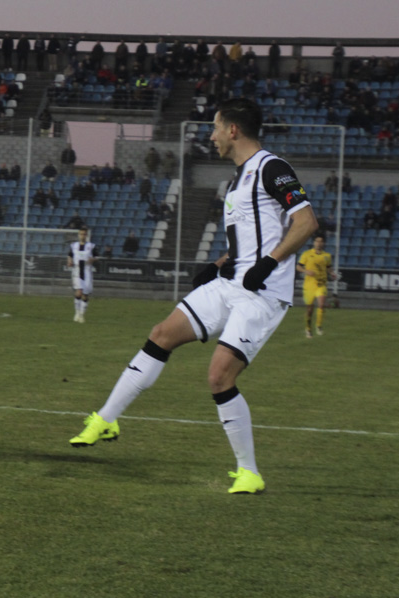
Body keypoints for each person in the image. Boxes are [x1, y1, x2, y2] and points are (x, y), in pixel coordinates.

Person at [68, 98, 318, 495]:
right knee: (162, 333)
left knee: (219, 376)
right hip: (233, 281)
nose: (212, 135)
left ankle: (249, 472)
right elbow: (253, 239)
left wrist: (268, 264)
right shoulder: (238, 178)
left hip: (262, 293)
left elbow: (306, 222)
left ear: (233, 130)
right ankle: (106, 418)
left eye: (216, 128)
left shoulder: (272, 168)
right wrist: (219, 263)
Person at [296, 234, 335, 339]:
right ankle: (308, 329)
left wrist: (332, 273)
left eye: (321, 241)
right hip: (309, 286)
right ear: (314, 243)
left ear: (323, 243)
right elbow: (298, 266)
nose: (319, 243)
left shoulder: (327, 256)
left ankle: (318, 325)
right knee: (310, 309)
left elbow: (329, 267)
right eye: (317, 241)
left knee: (321, 304)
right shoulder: (306, 254)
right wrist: (306, 271)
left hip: (321, 284)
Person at [67, 227, 98, 323]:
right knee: (79, 292)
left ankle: (81, 314)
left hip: (87, 271)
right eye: (81, 234)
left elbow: (97, 256)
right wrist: (69, 261)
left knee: (85, 295)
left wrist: (92, 260)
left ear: (87, 235)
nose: (82, 236)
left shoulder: (91, 246)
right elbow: (70, 255)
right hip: (77, 270)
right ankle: (77, 313)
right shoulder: (74, 246)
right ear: (78, 235)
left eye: (84, 234)